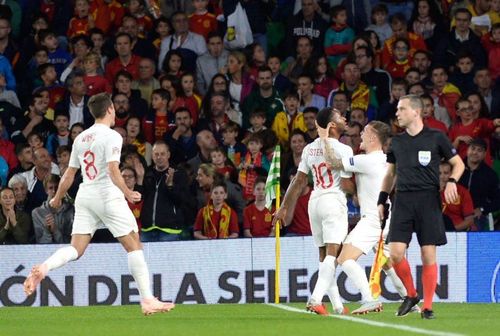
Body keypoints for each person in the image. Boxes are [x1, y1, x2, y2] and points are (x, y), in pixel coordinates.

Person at [23, 93, 174, 315]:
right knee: (133, 243)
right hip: (107, 194)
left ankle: (44, 268)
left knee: (76, 248)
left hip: (85, 195)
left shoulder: (81, 137)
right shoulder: (112, 136)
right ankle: (148, 299)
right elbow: (113, 170)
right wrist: (128, 192)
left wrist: (56, 198)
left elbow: (68, 174)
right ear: (111, 109)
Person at [377, 94, 465, 319]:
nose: (397, 113)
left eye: (401, 109)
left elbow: (458, 164)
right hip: (402, 201)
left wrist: (452, 182)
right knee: (395, 254)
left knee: (428, 255)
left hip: (428, 200)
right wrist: (381, 199)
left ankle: (427, 307)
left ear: (415, 112)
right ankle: (412, 294)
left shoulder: (436, 137)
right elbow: (390, 173)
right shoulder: (396, 141)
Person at [319, 120, 410, 315]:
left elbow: (332, 163)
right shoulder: (384, 160)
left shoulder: (366, 160)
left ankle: (369, 299)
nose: (360, 135)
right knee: (387, 263)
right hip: (387, 217)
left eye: (364, 132)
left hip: (372, 220)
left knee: (345, 258)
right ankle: (410, 300)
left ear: (372, 137)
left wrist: (325, 138)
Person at [273, 107, 353, 316]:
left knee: (323, 255)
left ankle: (337, 305)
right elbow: (346, 185)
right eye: (340, 116)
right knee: (333, 255)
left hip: (314, 201)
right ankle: (315, 299)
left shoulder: (309, 148)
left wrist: (283, 207)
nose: (345, 118)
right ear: (332, 126)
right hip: (333, 200)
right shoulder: (344, 149)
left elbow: (299, 180)